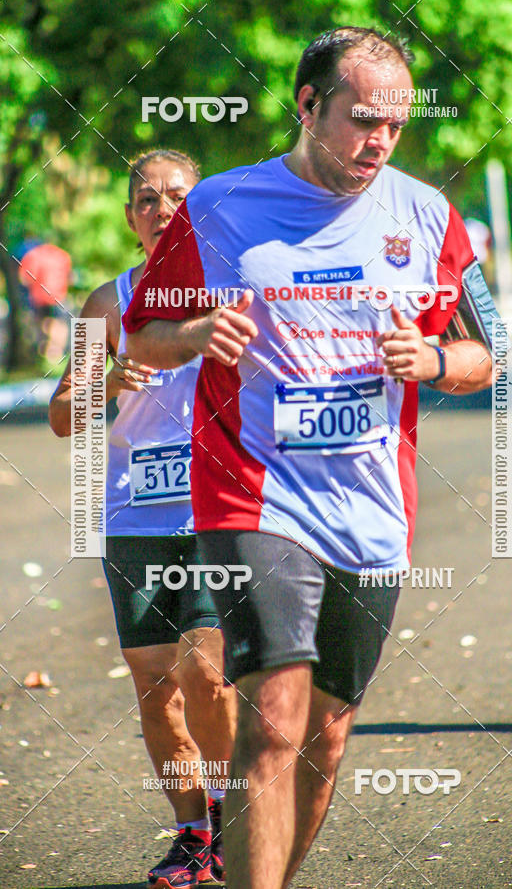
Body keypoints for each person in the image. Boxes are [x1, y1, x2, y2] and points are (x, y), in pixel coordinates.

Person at [123, 27, 501, 889]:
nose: (380, 141)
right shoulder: (220, 208)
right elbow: (146, 330)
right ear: (306, 105)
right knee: (275, 714)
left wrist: (434, 360)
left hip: (371, 508)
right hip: (254, 494)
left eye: (395, 126)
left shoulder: (427, 217)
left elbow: (487, 354)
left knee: (325, 737)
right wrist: (194, 332)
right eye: (363, 119)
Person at [49, 149, 235, 888]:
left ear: (199, 210)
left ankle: (232, 814)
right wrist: (108, 382)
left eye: (176, 197)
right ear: (131, 219)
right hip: (134, 515)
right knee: (156, 682)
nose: (161, 209)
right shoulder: (106, 303)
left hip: (220, 510)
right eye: (146, 199)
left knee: (208, 676)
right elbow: (64, 415)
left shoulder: (231, 291)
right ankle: (193, 834)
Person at [19, 241, 72, 362]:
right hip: (59, 295)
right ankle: (56, 352)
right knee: (59, 323)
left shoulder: (33, 255)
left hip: (39, 296)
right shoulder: (62, 255)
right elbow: (69, 276)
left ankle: (44, 350)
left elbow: (24, 278)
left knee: (42, 322)